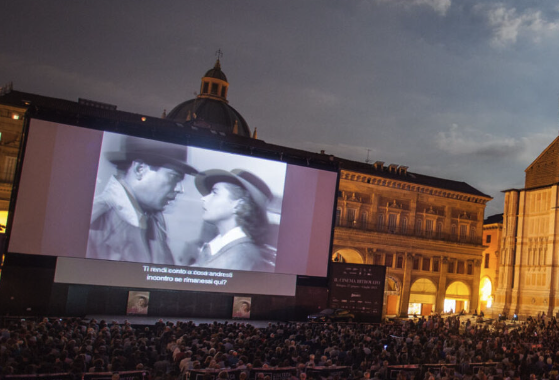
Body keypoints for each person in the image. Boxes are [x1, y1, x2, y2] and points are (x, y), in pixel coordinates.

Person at [86, 135, 197, 264]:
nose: (179, 189)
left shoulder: (153, 222)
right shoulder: (94, 221)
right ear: (140, 169)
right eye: (173, 176)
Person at [190, 168, 275, 271]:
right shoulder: (216, 247)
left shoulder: (242, 255)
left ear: (238, 205)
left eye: (215, 193)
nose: (204, 198)